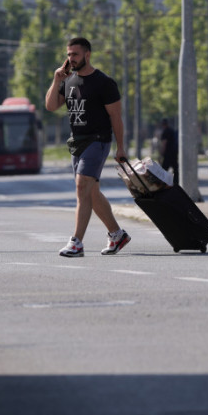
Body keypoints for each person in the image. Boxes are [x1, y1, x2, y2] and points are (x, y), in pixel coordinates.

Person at [45, 37, 131, 257]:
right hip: (78, 142)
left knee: (82, 186)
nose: (70, 59)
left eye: (75, 54)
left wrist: (120, 148)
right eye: (68, 54)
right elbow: (51, 105)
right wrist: (56, 80)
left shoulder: (104, 82)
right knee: (91, 193)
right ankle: (117, 234)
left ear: (87, 55)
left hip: (98, 140)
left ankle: (76, 243)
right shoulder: (68, 80)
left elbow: (116, 117)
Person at [158, 118, 179, 184]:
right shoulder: (172, 131)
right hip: (174, 152)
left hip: (167, 154)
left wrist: (161, 153)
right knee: (175, 168)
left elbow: (164, 143)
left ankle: (163, 182)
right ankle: (176, 182)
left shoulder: (165, 132)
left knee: (164, 169)